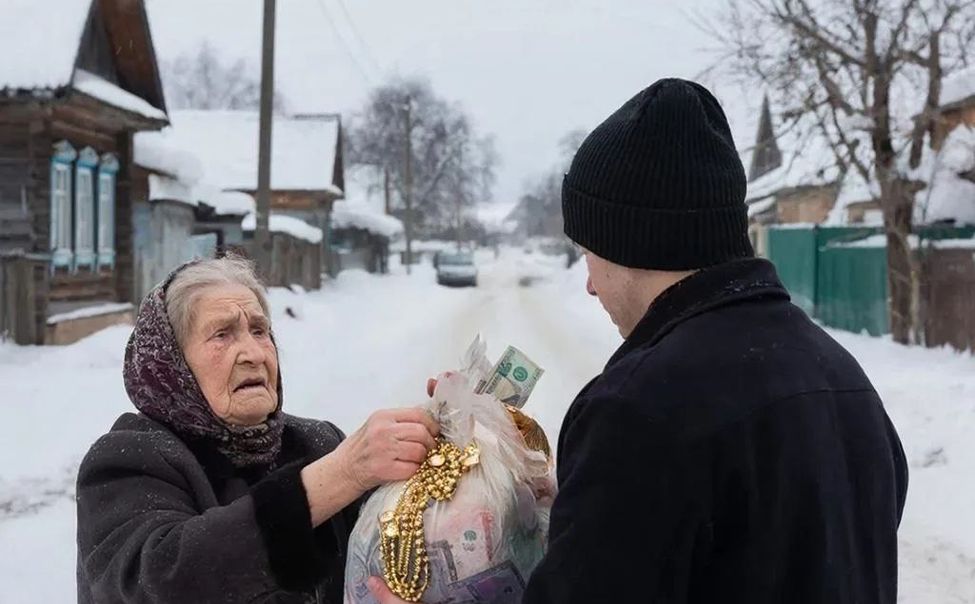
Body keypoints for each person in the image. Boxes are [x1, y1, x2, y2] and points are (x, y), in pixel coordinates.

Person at [369, 78, 908, 603]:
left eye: (589, 252)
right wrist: (578, 511)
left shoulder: (643, 409)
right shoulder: (844, 381)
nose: (588, 282)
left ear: (632, 240)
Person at [76, 255, 440, 603]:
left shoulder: (315, 443)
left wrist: (453, 433)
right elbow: (160, 583)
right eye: (222, 334)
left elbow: (405, 541)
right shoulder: (128, 462)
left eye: (259, 331)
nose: (254, 353)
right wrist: (342, 474)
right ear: (172, 363)